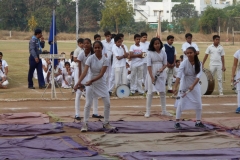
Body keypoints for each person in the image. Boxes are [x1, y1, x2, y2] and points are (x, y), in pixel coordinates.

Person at [74, 41, 116, 132]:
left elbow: (101, 74)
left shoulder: (106, 60)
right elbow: (85, 72)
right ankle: (85, 124)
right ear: (93, 48)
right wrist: (78, 83)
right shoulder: (90, 58)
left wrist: (91, 81)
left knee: (107, 103)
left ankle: (106, 123)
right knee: (88, 103)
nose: (97, 49)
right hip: (91, 82)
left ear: (102, 48)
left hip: (100, 83)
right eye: (95, 48)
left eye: (99, 47)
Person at [173, 47, 205, 129]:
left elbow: (198, 76)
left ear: (194, 53)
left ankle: (198, 122)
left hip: (195, 84)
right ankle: (177, 122)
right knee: (181, 102)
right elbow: (179, 74)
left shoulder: (199, 63)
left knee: (198, 102)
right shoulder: (184, 63)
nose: (189, 54)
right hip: (184, 83)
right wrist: (175, 86)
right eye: (187, 53)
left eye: (191, 53)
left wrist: (193, 85)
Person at [144, 38, 172, 118]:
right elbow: (148, 66)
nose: (157, 45)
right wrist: (152, 77)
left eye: (158, 43)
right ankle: (148, 111)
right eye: (155, 44)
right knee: (150, 92)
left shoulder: (163, 52)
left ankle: (164, 111)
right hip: (152, 72)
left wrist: (162, 69)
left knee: (162, 92)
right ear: (152, 45)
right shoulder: (149, 53)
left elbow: (165, 63)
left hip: (161, 73)